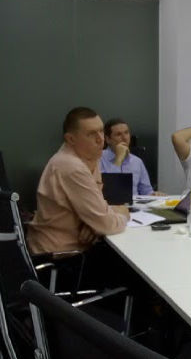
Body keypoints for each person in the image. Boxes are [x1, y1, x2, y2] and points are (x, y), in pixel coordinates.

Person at [27, 107, 128, 254]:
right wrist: (123, 213)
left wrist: (93, 223)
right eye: (91, 134)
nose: (100, 139)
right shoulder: (71, 166)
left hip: (75, 249)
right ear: (71, 139)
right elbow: (106, 224)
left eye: (101, 131)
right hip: (59, 256)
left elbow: (99, 210)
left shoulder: (90, 156)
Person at [99, 118, 161, 196]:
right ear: (108, 139)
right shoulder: (98, 158)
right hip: (110, 203)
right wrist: (118, 159)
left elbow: (146, 191)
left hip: (135, 203)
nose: (124, 138)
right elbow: (110, 190)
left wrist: (154, 195)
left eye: (126, 133)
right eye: (118, 134)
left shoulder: (137, 161)